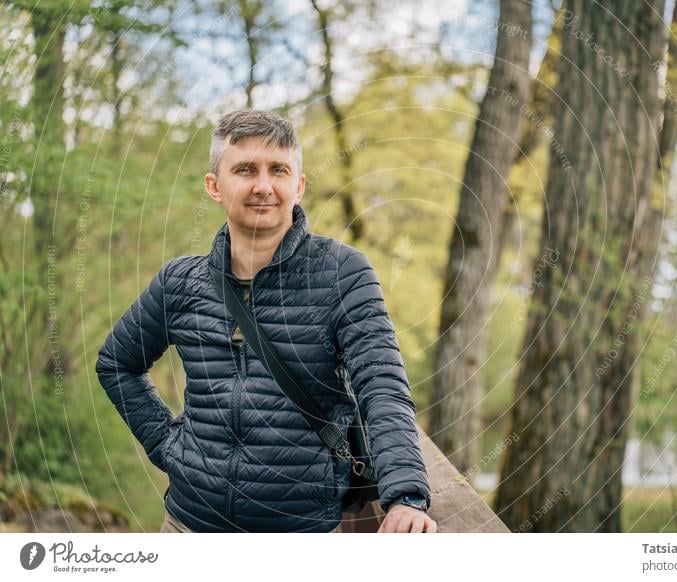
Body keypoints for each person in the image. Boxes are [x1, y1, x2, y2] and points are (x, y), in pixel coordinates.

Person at [95, 109, 436, 533]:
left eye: (278, 170)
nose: (263, 186)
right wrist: (170, 447)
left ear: (299, 185)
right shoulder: (179, 282)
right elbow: (116, 363)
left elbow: (382, 385)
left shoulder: (343, 273)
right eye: (245, 169)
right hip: (187, 525)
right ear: (214, 186)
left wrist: (406, 495)